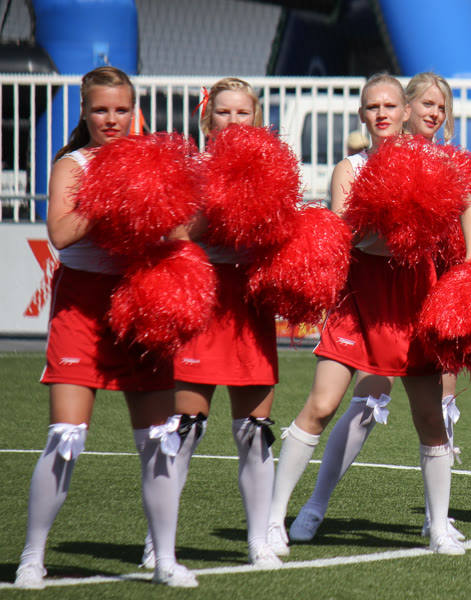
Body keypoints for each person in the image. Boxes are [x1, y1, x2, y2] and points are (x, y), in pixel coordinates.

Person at [268, 73, 471, 556]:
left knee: (430, 416)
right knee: (323, 404)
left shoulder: (432, 160)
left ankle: (439, 527)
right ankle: (274, 518)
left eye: (389, 105)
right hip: (361, 295)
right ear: (363, 115)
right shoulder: (351, 167)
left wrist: (470, 264)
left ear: (405, 112)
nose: (381, 113)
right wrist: (385, 209)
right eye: (372, 107)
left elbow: (468, 205)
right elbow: (346, 233)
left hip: (414, 293)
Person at [15, 66, 197, 589]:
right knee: (65, 436)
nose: (111, 119)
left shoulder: (152, 160)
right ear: (84, 112)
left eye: (121, 109)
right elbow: (59, 233)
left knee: (159, 439)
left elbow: (181, 232)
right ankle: (32, 558)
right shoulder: (71, 164)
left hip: (143, 301)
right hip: (83, 305)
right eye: (100, 109)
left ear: (134, 110)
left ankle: (164, 560)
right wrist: (112, 192)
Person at [137, 78, 282, 571]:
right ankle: (159, 541)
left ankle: (258, 541)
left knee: (255, 430)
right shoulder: (189, 168)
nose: (233, 122)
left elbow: (282, 238)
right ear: (207, 119)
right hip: (200, 296)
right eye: (224, 113)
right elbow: (173, 234)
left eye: (243, 113)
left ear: (255, 119)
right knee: (185, 428)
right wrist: (219, 200)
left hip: (248, 303)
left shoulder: (272, 170)